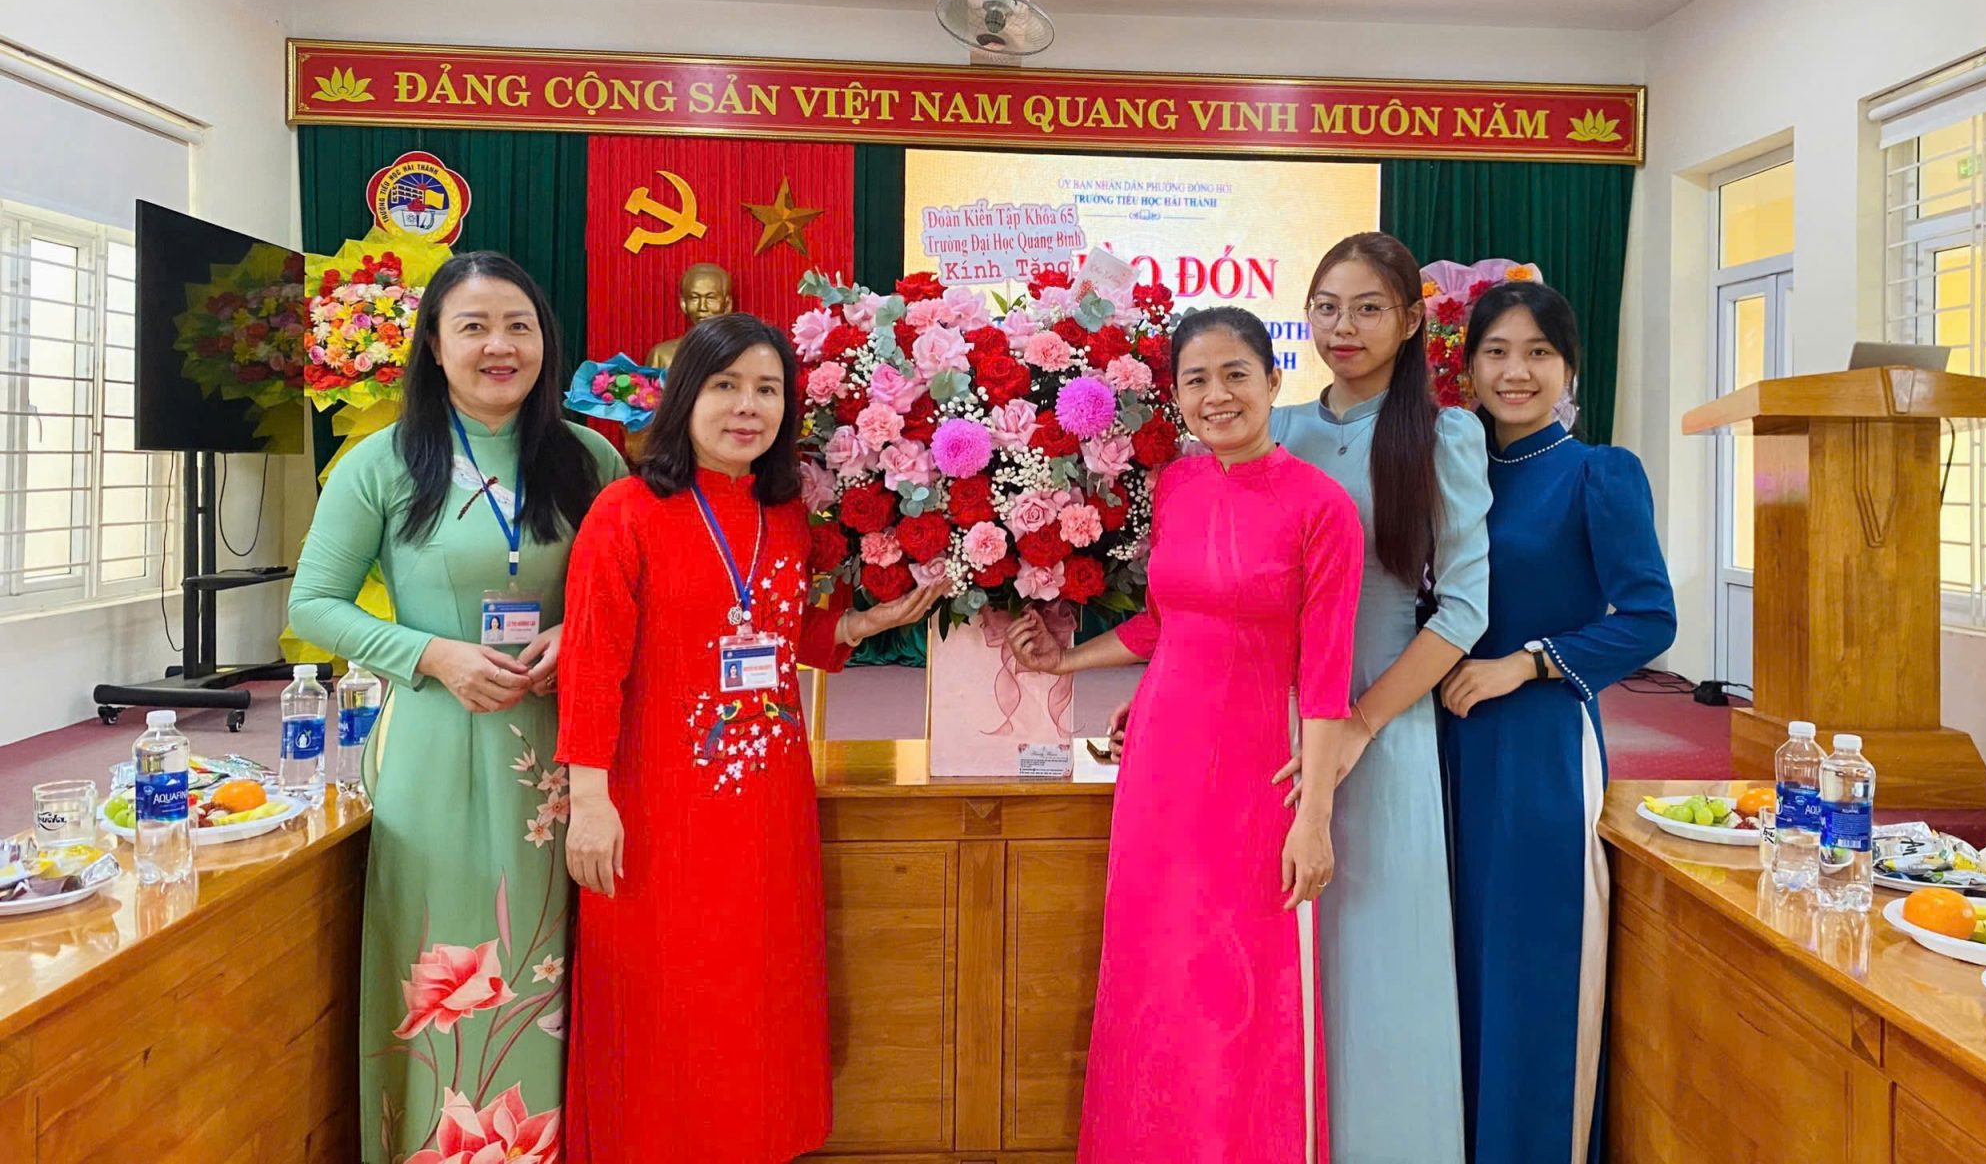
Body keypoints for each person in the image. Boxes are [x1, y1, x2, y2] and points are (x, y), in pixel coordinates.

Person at [552, 312, 941, 1162]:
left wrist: (865, 622)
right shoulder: (626, 512)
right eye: (726, 385)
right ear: (685, 395)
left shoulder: (785, 513)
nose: (747, 407)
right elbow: (590, 662)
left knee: (755, 986)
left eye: (767, 390)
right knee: (663, 992)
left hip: (766, 804)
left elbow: (782, 634)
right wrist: (590, 799)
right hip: (654, 804)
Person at [287, 250, 625, 1161]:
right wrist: (431, 654)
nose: (498, 346)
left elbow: (628, 588)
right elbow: (313, 604)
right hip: (437, 741)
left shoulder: (589, 458)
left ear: (546, 341)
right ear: (434, 345)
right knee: (444, 954)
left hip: (564, 750)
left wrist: (578, 636)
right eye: (472, 327)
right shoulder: (383, 462)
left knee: (556, 956)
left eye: (518, 325)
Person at [1009, 306, 1367, 1164]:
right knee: (1154, 967)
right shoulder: (1177, 484)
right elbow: (1164, 623)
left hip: (1256, 769)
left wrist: (1314, 815)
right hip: (1161, 762)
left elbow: (1326, 678)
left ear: (1274, 380)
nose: (1217, 395)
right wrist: (1065, 661)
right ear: (1175, 394)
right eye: (1196, 379)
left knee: (1238, 977)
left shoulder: (1323, 507)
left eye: (1236, 373)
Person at [1439, 282, 1675, 1164]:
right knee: (1454, 960)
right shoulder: (1451, 471)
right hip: (1442, 743)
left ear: (1570, 368)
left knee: (1531, 966)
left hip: (1537, 747)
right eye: (1497, 351)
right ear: (1469, 366)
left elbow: (1649, 617)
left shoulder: (1596, 472)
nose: (1516, 371)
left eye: (1539, 352)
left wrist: (1527, 661)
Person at [1270, 230, 1491, 1164]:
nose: (1344, 326)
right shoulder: (1277, 427)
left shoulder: (1443, 436)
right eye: (1327, 307)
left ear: (1410, 322)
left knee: (1380, 964)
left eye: (1368, 308)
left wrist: (1362, 723)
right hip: (1273, 726)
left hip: (1383, 728)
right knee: (1279, 957)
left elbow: (1466, 609)